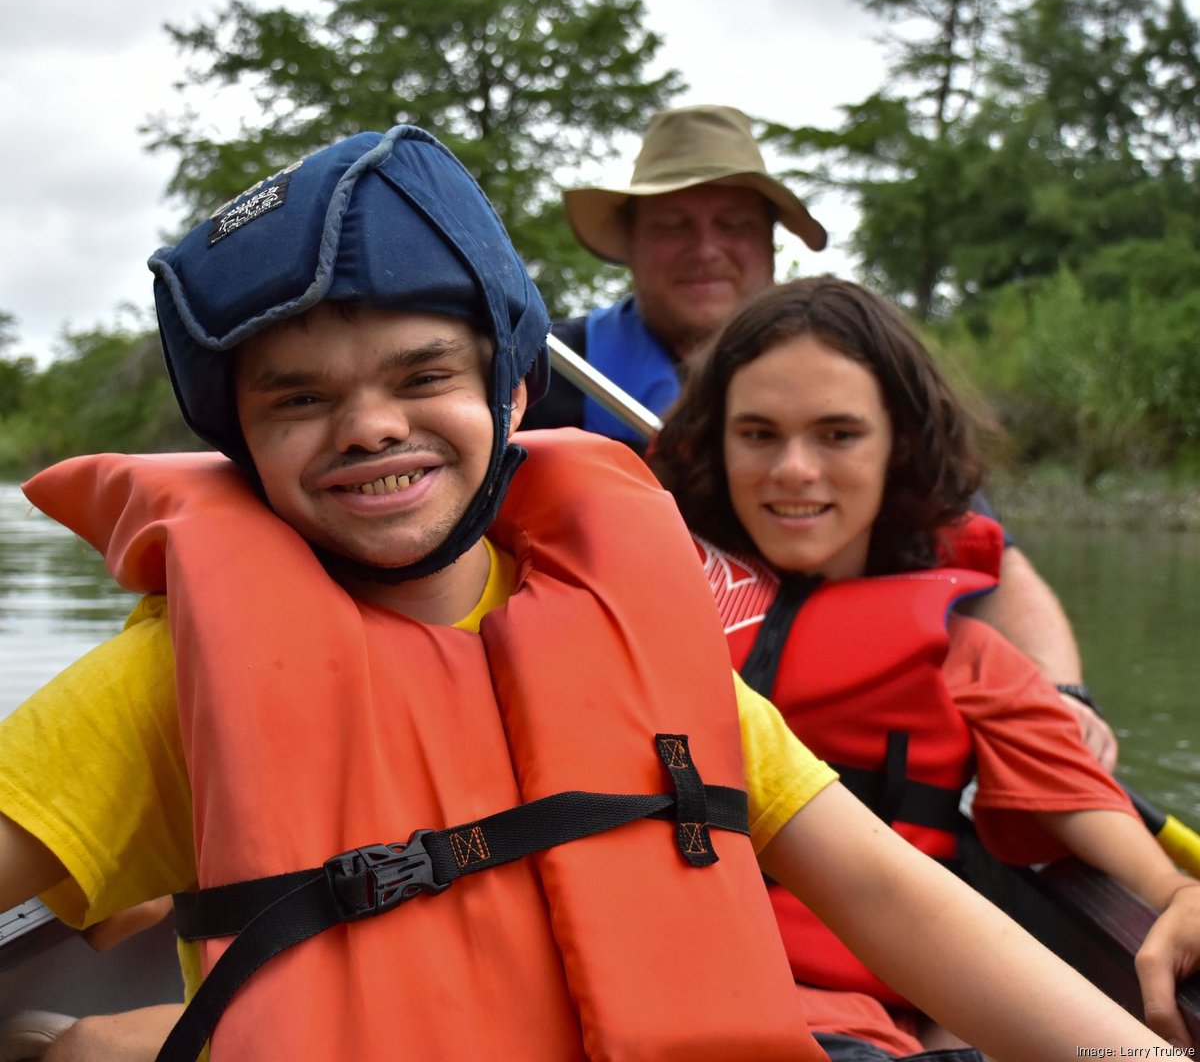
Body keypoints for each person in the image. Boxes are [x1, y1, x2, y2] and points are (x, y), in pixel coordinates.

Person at [0, 129, 1178, 1062]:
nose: (369, 426)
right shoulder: (166, 687)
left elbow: (884, 889)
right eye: (297, 400)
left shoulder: (642, 646)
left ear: (514, 398)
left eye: (424, 377)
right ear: (240, 444)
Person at [650, 275, 1200, 1059]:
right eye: (758, 434)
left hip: (843, 1028)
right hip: (644, 999)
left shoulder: (966, 659)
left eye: (838, 435)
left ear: (898, 445)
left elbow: (1123, 849)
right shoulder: (640, 608)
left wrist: (1179, 894)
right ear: (716, 443)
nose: (795, 470)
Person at [524, 103, 1118, 768]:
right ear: (629, 244)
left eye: (733, 225)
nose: (706, 248)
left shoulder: (852, 366)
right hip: (628, 731)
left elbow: (989, 557)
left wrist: (1065, 695)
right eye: (673, 225)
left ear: (773, 242)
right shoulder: (541, 378)